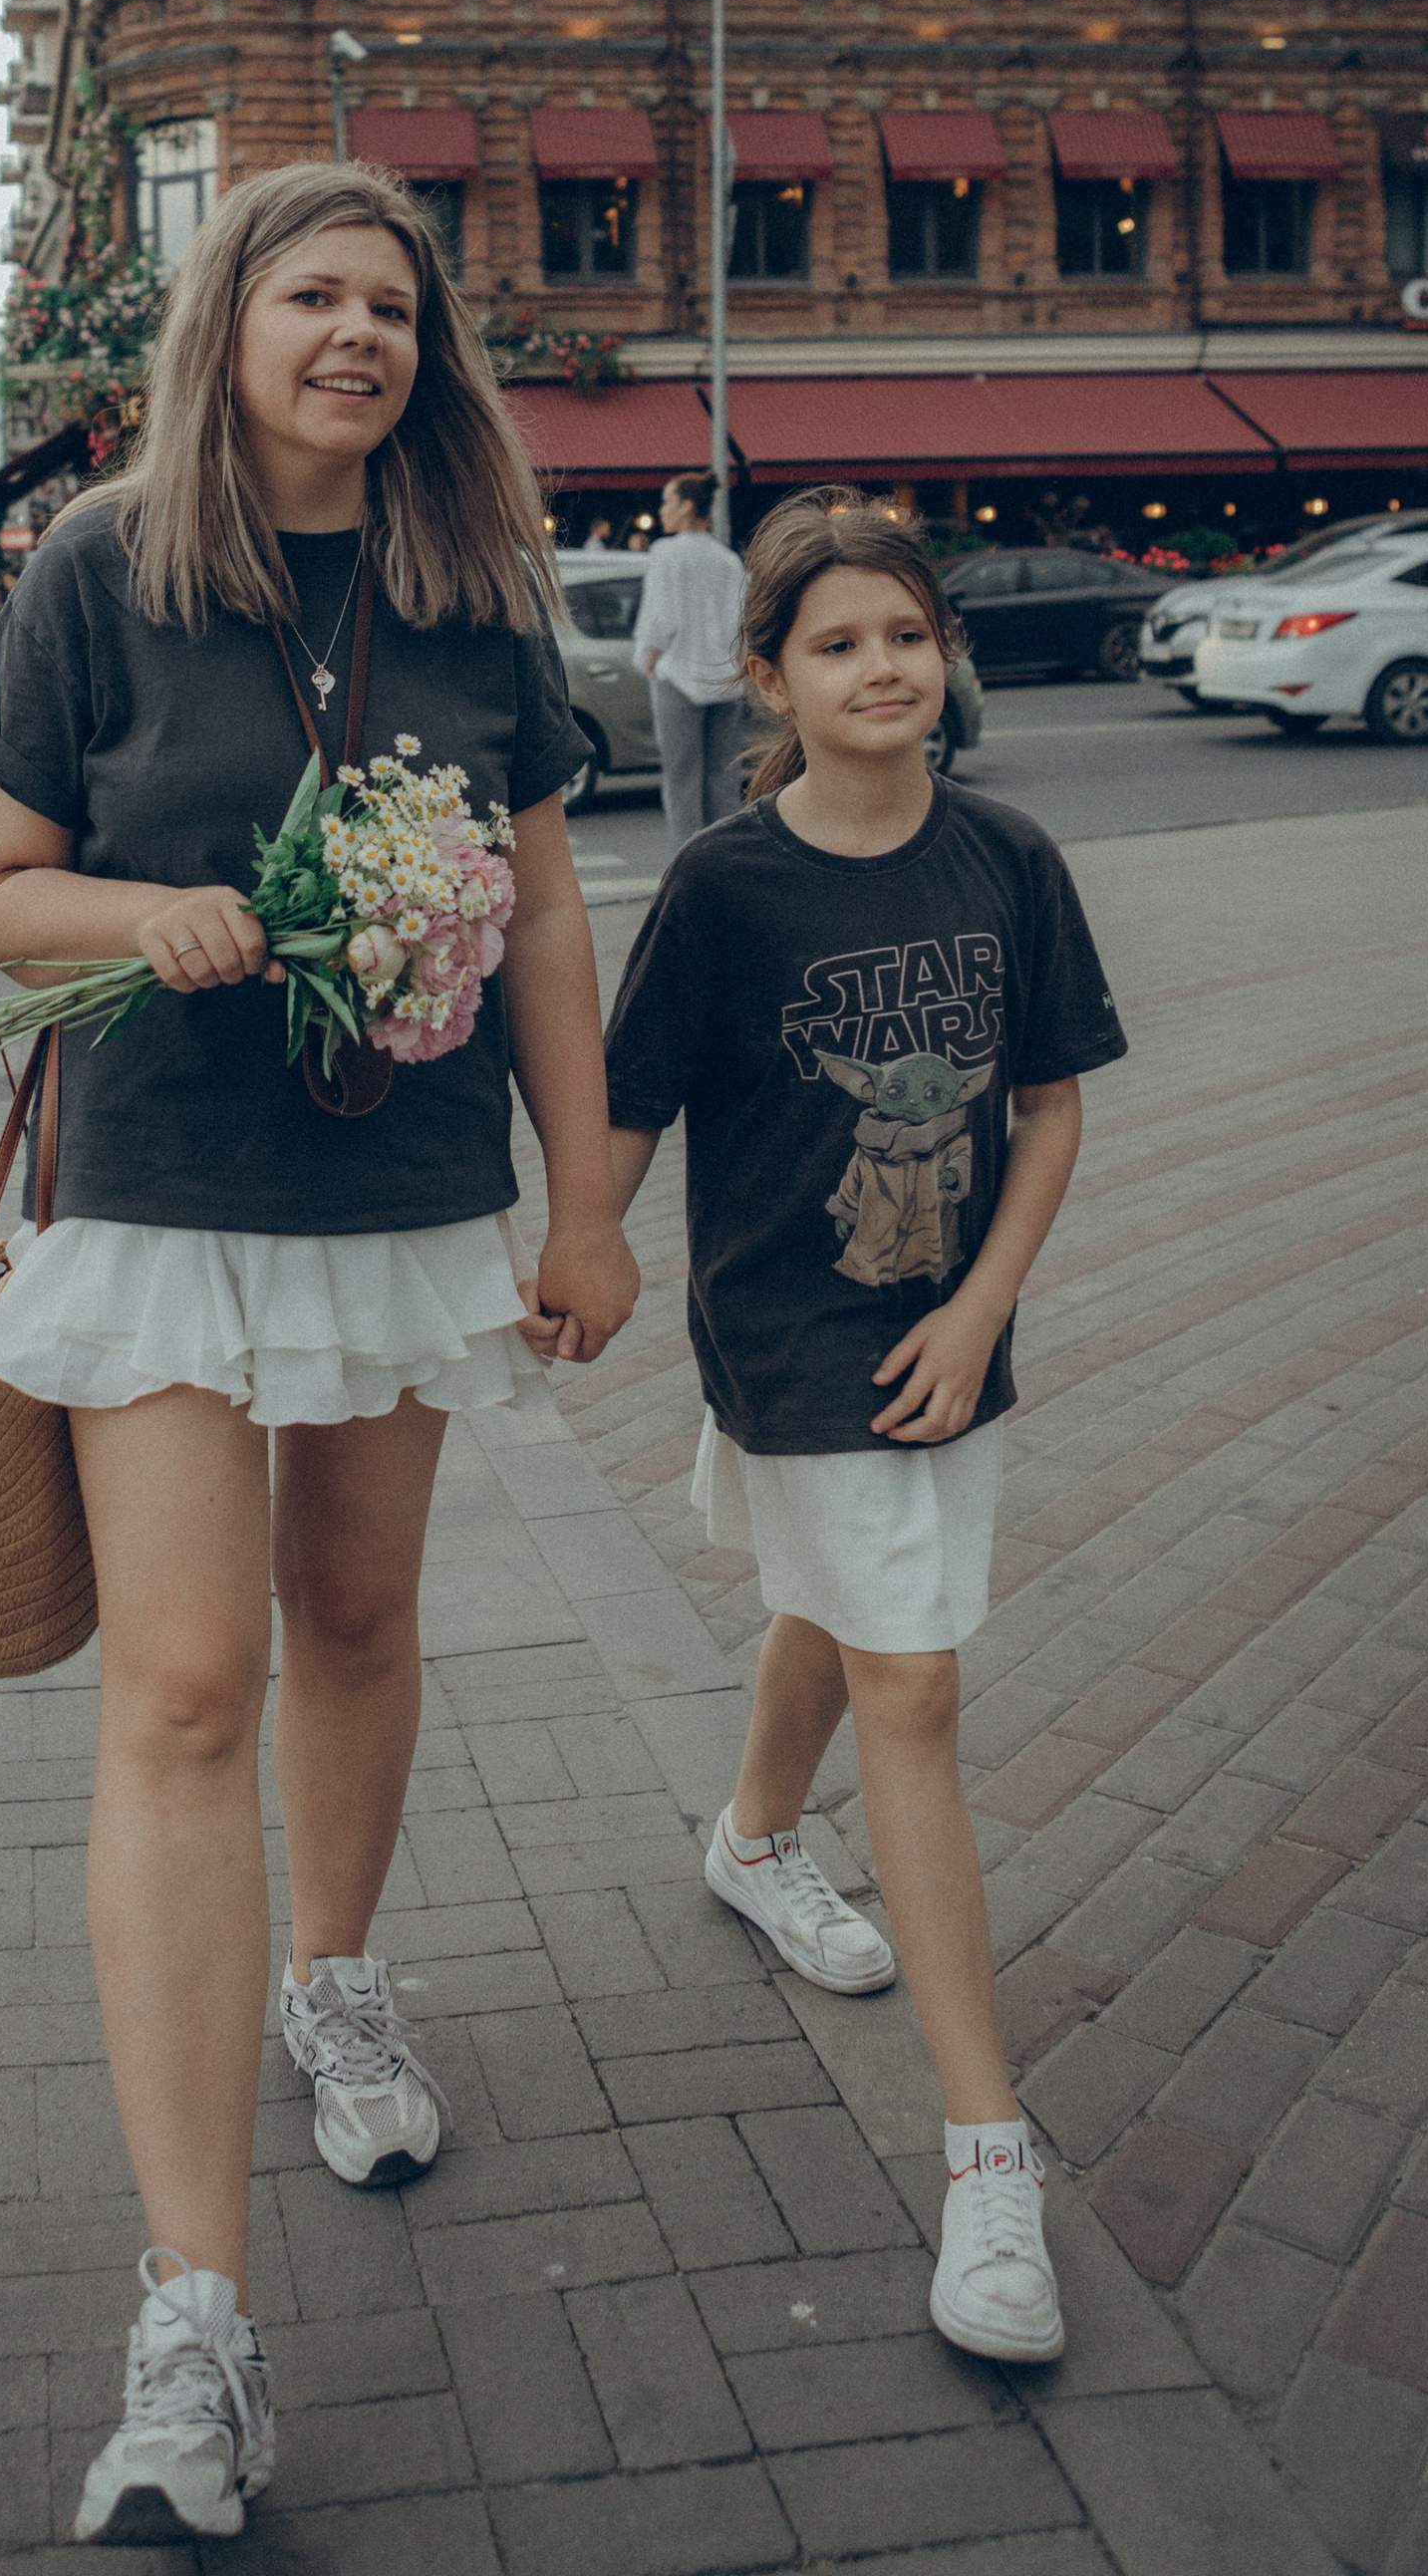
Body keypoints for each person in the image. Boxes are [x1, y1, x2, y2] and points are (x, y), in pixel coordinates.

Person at [0, 161, 639, 2545]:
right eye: (312, 289)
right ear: (223, 319)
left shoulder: (473, 595)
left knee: (355, 1619)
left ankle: (333, 1981)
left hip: (398, 1205)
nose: (356, 329)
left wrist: (590, 1200)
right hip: (156, 1206)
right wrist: (153, 908)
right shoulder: (98, 573)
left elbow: (544, 908)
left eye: (392, 301)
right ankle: (194, 2315)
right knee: (176, 1690)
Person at [602, 486, 1125, 2369]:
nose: (880, 666)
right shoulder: (728, 886)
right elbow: (632, 1105)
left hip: (947, 1336)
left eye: (906, 633)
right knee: (913, 1685)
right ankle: (992, 2160)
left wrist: (985, 1301)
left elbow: (1051, 1107)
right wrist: (568, 1254)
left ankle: (752, 1840)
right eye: (837, 643)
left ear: (945, 653)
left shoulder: (1009, 859)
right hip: (794, 1331)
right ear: (769, 677)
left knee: (835, 1609)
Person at [638, 469, 750, 853]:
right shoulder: (728, 560)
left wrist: (648, 656)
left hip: (679, 677)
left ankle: (688, 865)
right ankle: (725, 859)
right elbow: (741, 623)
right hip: (724, 682)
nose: (662, 509)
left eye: (667, 502)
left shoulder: (665, 554)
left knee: (681, 781)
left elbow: (659, 618)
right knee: (724, 781)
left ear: (687, 506)